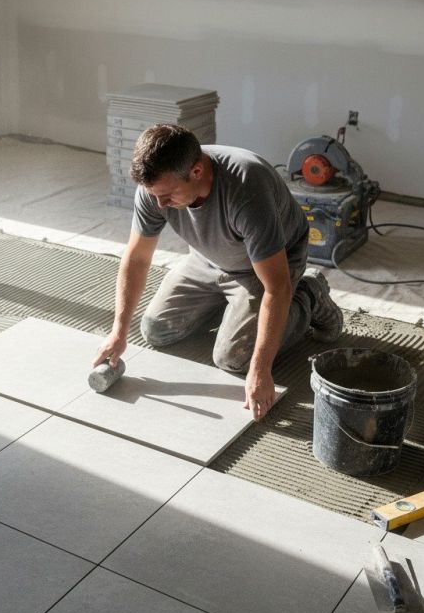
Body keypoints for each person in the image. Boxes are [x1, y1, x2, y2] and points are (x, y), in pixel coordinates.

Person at [93, 124, 343, 420]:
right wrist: (118, 332)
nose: (160, 205)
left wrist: (260, 370)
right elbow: (136, 259)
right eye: (154, 195)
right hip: (206, 259)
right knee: (156, 330)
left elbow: (276, 287)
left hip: (265, 266)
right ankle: (233, 310)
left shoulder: (246, 188)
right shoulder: (157, 186)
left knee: (234, 358)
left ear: (197, 172)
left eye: (169, 195)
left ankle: (309, 295)